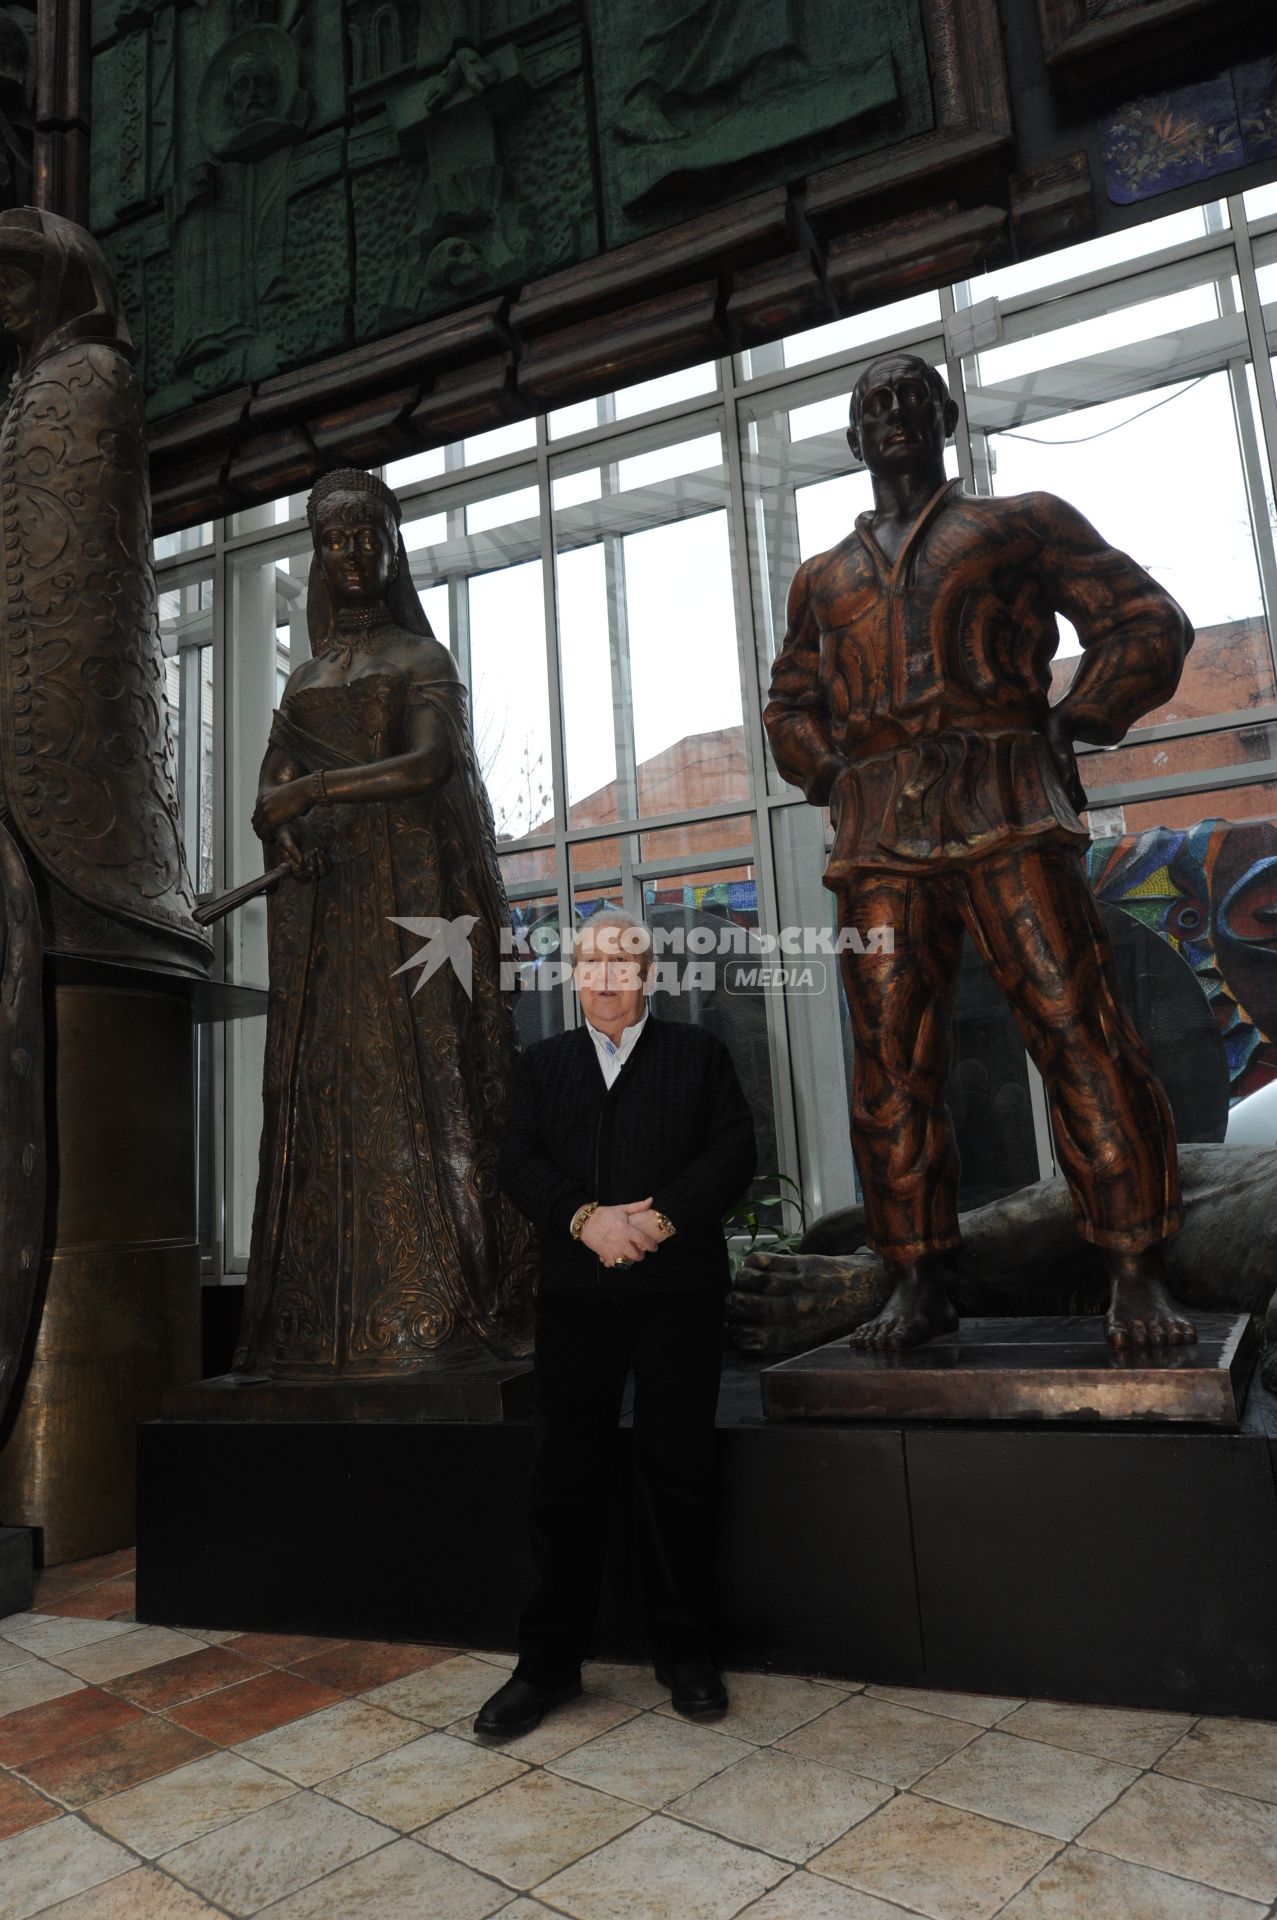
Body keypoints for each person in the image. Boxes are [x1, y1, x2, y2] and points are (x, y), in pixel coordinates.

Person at [764, 352, 1196, 1353]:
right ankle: (916, 1276)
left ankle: (1132, 1264)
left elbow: (1145, 622)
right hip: (877, 827)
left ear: (947, 417)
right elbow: (788, 701)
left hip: (1001, 794)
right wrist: (828, 772)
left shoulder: (1015, 524)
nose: (895, 414)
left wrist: (1074, 718)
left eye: (913, 397)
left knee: (1072, 1023)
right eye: (875, 403)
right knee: (889, 1058)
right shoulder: (821, 577)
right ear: (852, 435)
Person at [234, 465, 536, 1375]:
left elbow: (428, 765)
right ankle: (317, 1324)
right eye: (336, 540)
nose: (354, 553)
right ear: (321, 557)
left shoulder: (419, 660)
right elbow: (266, 792)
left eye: (369, 536)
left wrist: (317, 790)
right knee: (323, 1089)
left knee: (432, 1079)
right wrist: (279, 830)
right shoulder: (305, 679)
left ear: (393, 547)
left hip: (408, 895)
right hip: (327, 909)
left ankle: (451, 1305)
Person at [474, 910, 757, 1736]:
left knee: (678, 1468)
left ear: (649, 974)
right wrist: (584, 1220)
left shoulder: (699, 1056)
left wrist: (660, 1221)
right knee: (564, 1476)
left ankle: (685, 1653)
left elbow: (732, 1153)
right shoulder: (542, 1064)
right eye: (589, 962)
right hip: (575, 1296)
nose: (603, 977)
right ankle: (547, 1665)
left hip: (679, 1294)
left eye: (620, 962)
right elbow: (516, 1159)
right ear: (572, 974)